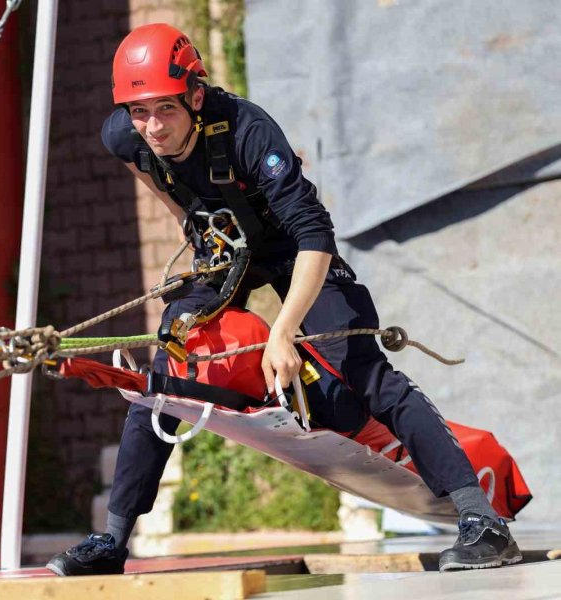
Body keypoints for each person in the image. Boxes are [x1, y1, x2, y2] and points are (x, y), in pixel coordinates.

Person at [47, 23, 519, 576]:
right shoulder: (124, 135)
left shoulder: (248, 132)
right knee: (170, 364)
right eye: (139, 112)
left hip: (294, 246)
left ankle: (481, 520)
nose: (152, 127)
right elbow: (145, 168)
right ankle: (113, 539)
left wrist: (282, 331)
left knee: (365, 373)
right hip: (229, 245)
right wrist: (190, 224)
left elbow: (315, 234)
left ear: (195, 97)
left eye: (165, 110)